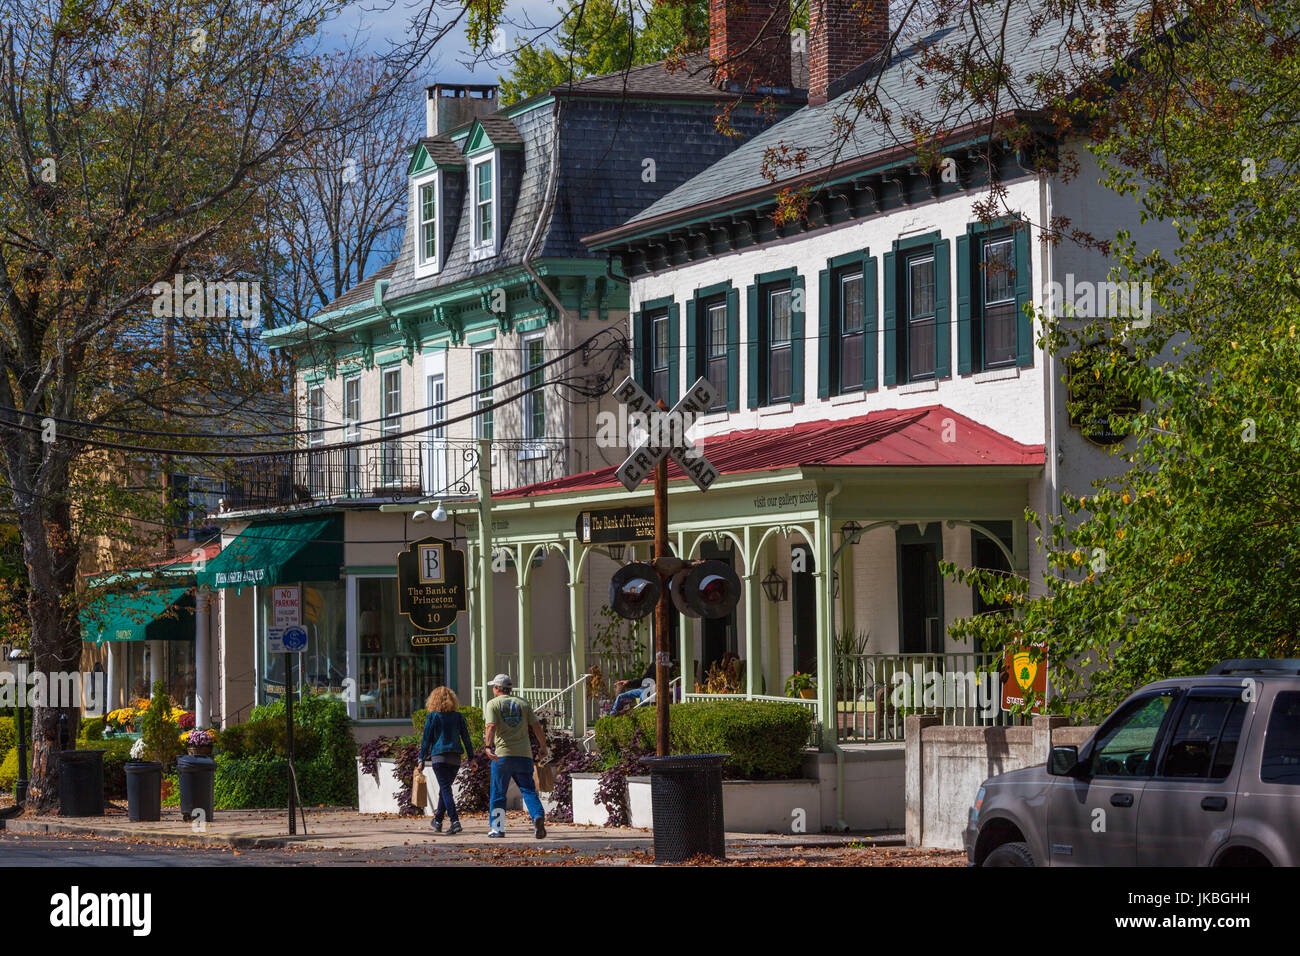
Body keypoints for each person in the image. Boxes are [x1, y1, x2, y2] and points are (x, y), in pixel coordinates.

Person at [483, 673, 549, 838]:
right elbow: (536, 726)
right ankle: (537, 817)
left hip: (502, 756)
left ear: (498, 688)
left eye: (493, 687)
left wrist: (488, 746)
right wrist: (543, 746)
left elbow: (491, 726)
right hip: (524, 755)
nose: (492, 689)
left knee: (498, 793)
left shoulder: (492, 704)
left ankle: (497, 828)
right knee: (528, 790)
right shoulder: (523, 703)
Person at [416, 685, 475, 835]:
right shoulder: (458, 717)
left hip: (439, 757)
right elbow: (466, 739)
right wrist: (471, 758)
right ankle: (438, 820)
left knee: (445, 789)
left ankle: (455, 821)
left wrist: (421, 758)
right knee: (445, 789)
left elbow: (426, 740)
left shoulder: (433, 717)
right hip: (455, 758)